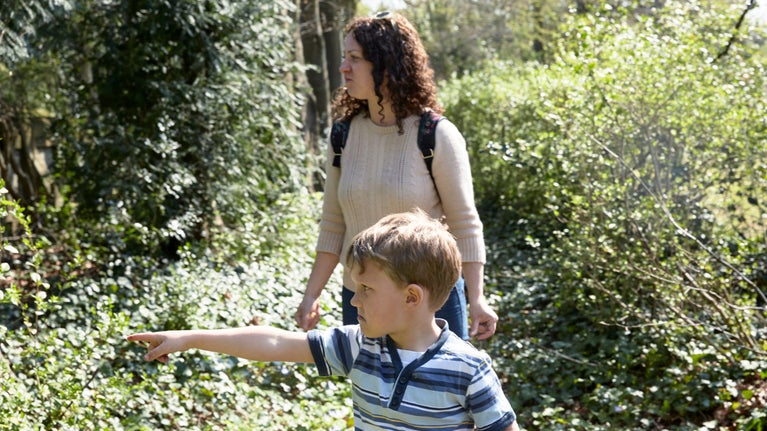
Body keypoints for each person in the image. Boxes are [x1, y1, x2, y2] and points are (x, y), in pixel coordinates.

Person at [128, 210, 520, 431]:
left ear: (412, 297)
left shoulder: (468, 369)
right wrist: (191, 337)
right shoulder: (358, 347)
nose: (353, 298)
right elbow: (276, 344)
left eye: (366, 289)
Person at [295, 11, 498, 341]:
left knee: (436, 394)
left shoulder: (436, 135)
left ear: (386, 65)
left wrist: (477, 300)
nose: (343, 67)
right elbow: (334, 223)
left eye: (355, 59)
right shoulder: (343, 136)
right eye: (345, 57)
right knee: (371, 394)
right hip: (362, 302)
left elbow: (464, 224)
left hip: (429, 306)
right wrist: (311, 295)